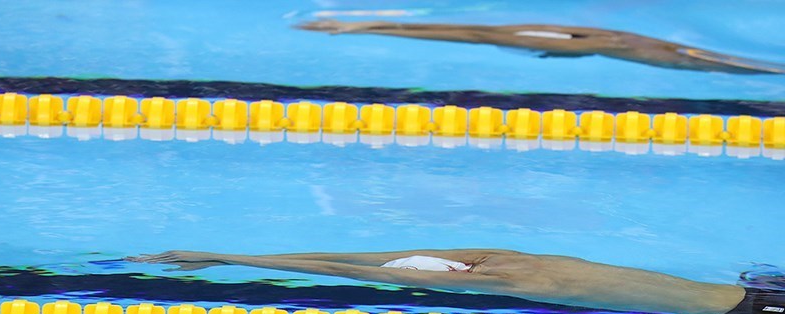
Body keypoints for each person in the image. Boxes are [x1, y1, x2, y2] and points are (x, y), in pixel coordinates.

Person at [126, 249, 785, 314]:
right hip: (753, 293)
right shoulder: (497, 255)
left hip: (755, 313)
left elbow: (357, 270)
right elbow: (365, 256)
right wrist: (222, 257)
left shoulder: (507, 278)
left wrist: (223, 258)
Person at [296, 19, 785, 75]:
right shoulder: (570, 34)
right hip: (669, 53)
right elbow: (470, 33)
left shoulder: (563, 35)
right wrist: (362, 26)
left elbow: (471, 34)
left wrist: (361, 26)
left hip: (671, 54)